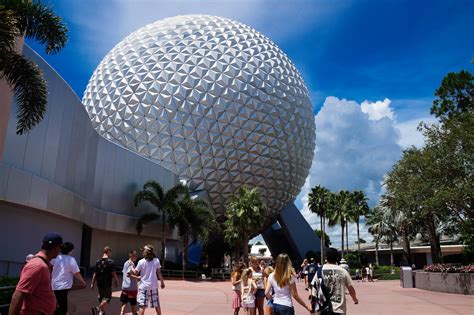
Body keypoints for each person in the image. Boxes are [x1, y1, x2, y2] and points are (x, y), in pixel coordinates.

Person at [9, 232, 63, 315]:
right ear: (57, 248)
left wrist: (52, 299)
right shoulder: (38, 266)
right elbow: (18, 294)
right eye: (60, 248)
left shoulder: (44, 264)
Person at [51, 242, 86, 315]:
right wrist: (83, 281)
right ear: (70, 250)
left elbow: (49, 267)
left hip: (53, 285)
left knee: (56, 303)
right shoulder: (71, 259)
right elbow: (76, 273)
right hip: (63, 286)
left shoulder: (56, 257)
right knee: (62, 307)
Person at [321, 248, 358, 314]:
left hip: (324, 309)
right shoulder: (343, 271)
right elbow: (350, 288)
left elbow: (313, 289)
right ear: (337, 258)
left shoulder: (319, 271)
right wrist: (355, 299)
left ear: (326, 258)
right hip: (339, 309)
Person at [132, 245, 165, 315]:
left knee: (142, 306)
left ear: (146, 252)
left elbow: (135, 272)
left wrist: (131, 267)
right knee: (156, 304)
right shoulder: (156, 260)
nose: (142, 252)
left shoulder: (141, 262)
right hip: (153, 286)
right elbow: (159, 272)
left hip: (144, 287)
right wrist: (162, 282)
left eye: (143, 251)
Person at [91, 246, 119, 315]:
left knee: (101, 297)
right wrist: (116, 281)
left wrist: (92, 283)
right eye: (110, 252)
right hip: (107, 283)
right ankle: (98, 308)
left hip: (99, 282)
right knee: (107, 298)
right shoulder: (110, 262)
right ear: (108, 252)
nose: (111, 254)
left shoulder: (98, 261)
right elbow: (113, 273)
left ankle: (101, 312)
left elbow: (95, 273)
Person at [120, 250, 140, 315]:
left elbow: (124, 273)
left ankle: (122, 313)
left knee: (124, 302)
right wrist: (138, 278)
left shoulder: (125, 263)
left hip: (125, 287)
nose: (136, 257)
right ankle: (134, 313)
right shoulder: (131, 263)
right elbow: (128, 274)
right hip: (132, 287)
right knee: (133, 303)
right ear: (131, 255)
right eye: (135, 255)